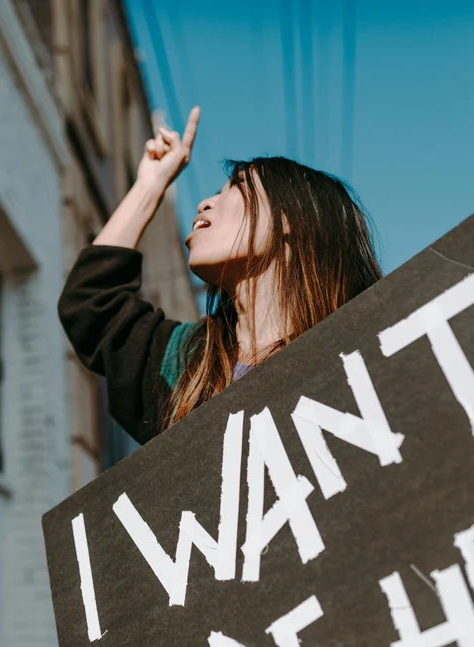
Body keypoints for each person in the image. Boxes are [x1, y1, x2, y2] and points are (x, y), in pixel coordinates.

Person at [58, 106, 382, 445]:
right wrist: (150, 186)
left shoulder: (365, 351)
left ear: (292, 220)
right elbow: (90, 305)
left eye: (238, 187)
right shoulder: (189, 365)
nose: (205, 203)